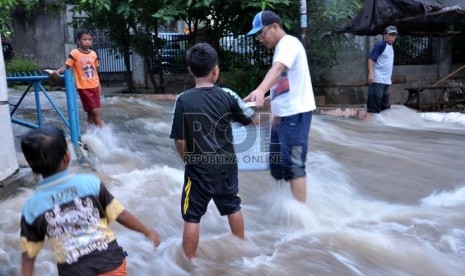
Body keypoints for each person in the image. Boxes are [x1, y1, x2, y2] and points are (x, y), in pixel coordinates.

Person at [20, 125, 160, 275]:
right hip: (110, 262)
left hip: (73, 271)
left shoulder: (32, 207)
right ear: (67, 156)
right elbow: (121, 214)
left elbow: (29, 255)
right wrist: (146, 231)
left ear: (32, 166)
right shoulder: (91, 183)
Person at [169, 43, 256, 260]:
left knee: (192, 216)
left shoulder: (183, 100)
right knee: (233, 206)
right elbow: (250, 121)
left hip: (198, 169)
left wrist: (187, 160)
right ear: (216, 70)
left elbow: (180, 140)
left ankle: (188, 264)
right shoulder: (227, 95)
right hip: (227, 166)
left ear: (190, 70)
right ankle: (241, 253)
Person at [244, 10, 316, 203]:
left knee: (294, 167)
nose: (261, 38)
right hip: (282, 117)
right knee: (278, 167)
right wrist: (270, 96)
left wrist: (259, 90)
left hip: (296, 115)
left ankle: (301, 220)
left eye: (262, 33)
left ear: (275, 27)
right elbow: (285, 79)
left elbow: (278, 70)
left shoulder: (288, 43)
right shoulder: (281, 48)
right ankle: (285, 207)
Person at [54, 29, 103, 128]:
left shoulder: (94, 54)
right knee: (95, 111)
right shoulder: (75, 53)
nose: (87, 41)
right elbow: (67, 66)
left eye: (89, 39)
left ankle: (91, 133)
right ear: (78, 41)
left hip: (95, 85)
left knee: (90, 112)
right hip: (83, 87)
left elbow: (96, 72)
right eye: (84, 39)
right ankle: (104, 134)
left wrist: (99, 85)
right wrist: (58, 71)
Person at [366, 26, 398, 113]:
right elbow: (371, 58)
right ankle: (371, 124)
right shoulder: (381, 45)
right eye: (390, 35)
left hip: (386, 82)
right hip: (378, 80)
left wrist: (389, 83)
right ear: (385, 36)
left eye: (393, 35)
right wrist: (371, 73)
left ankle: (382, 126)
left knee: (385, 107)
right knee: (374, 107)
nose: (392, 37)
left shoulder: (390, 47)